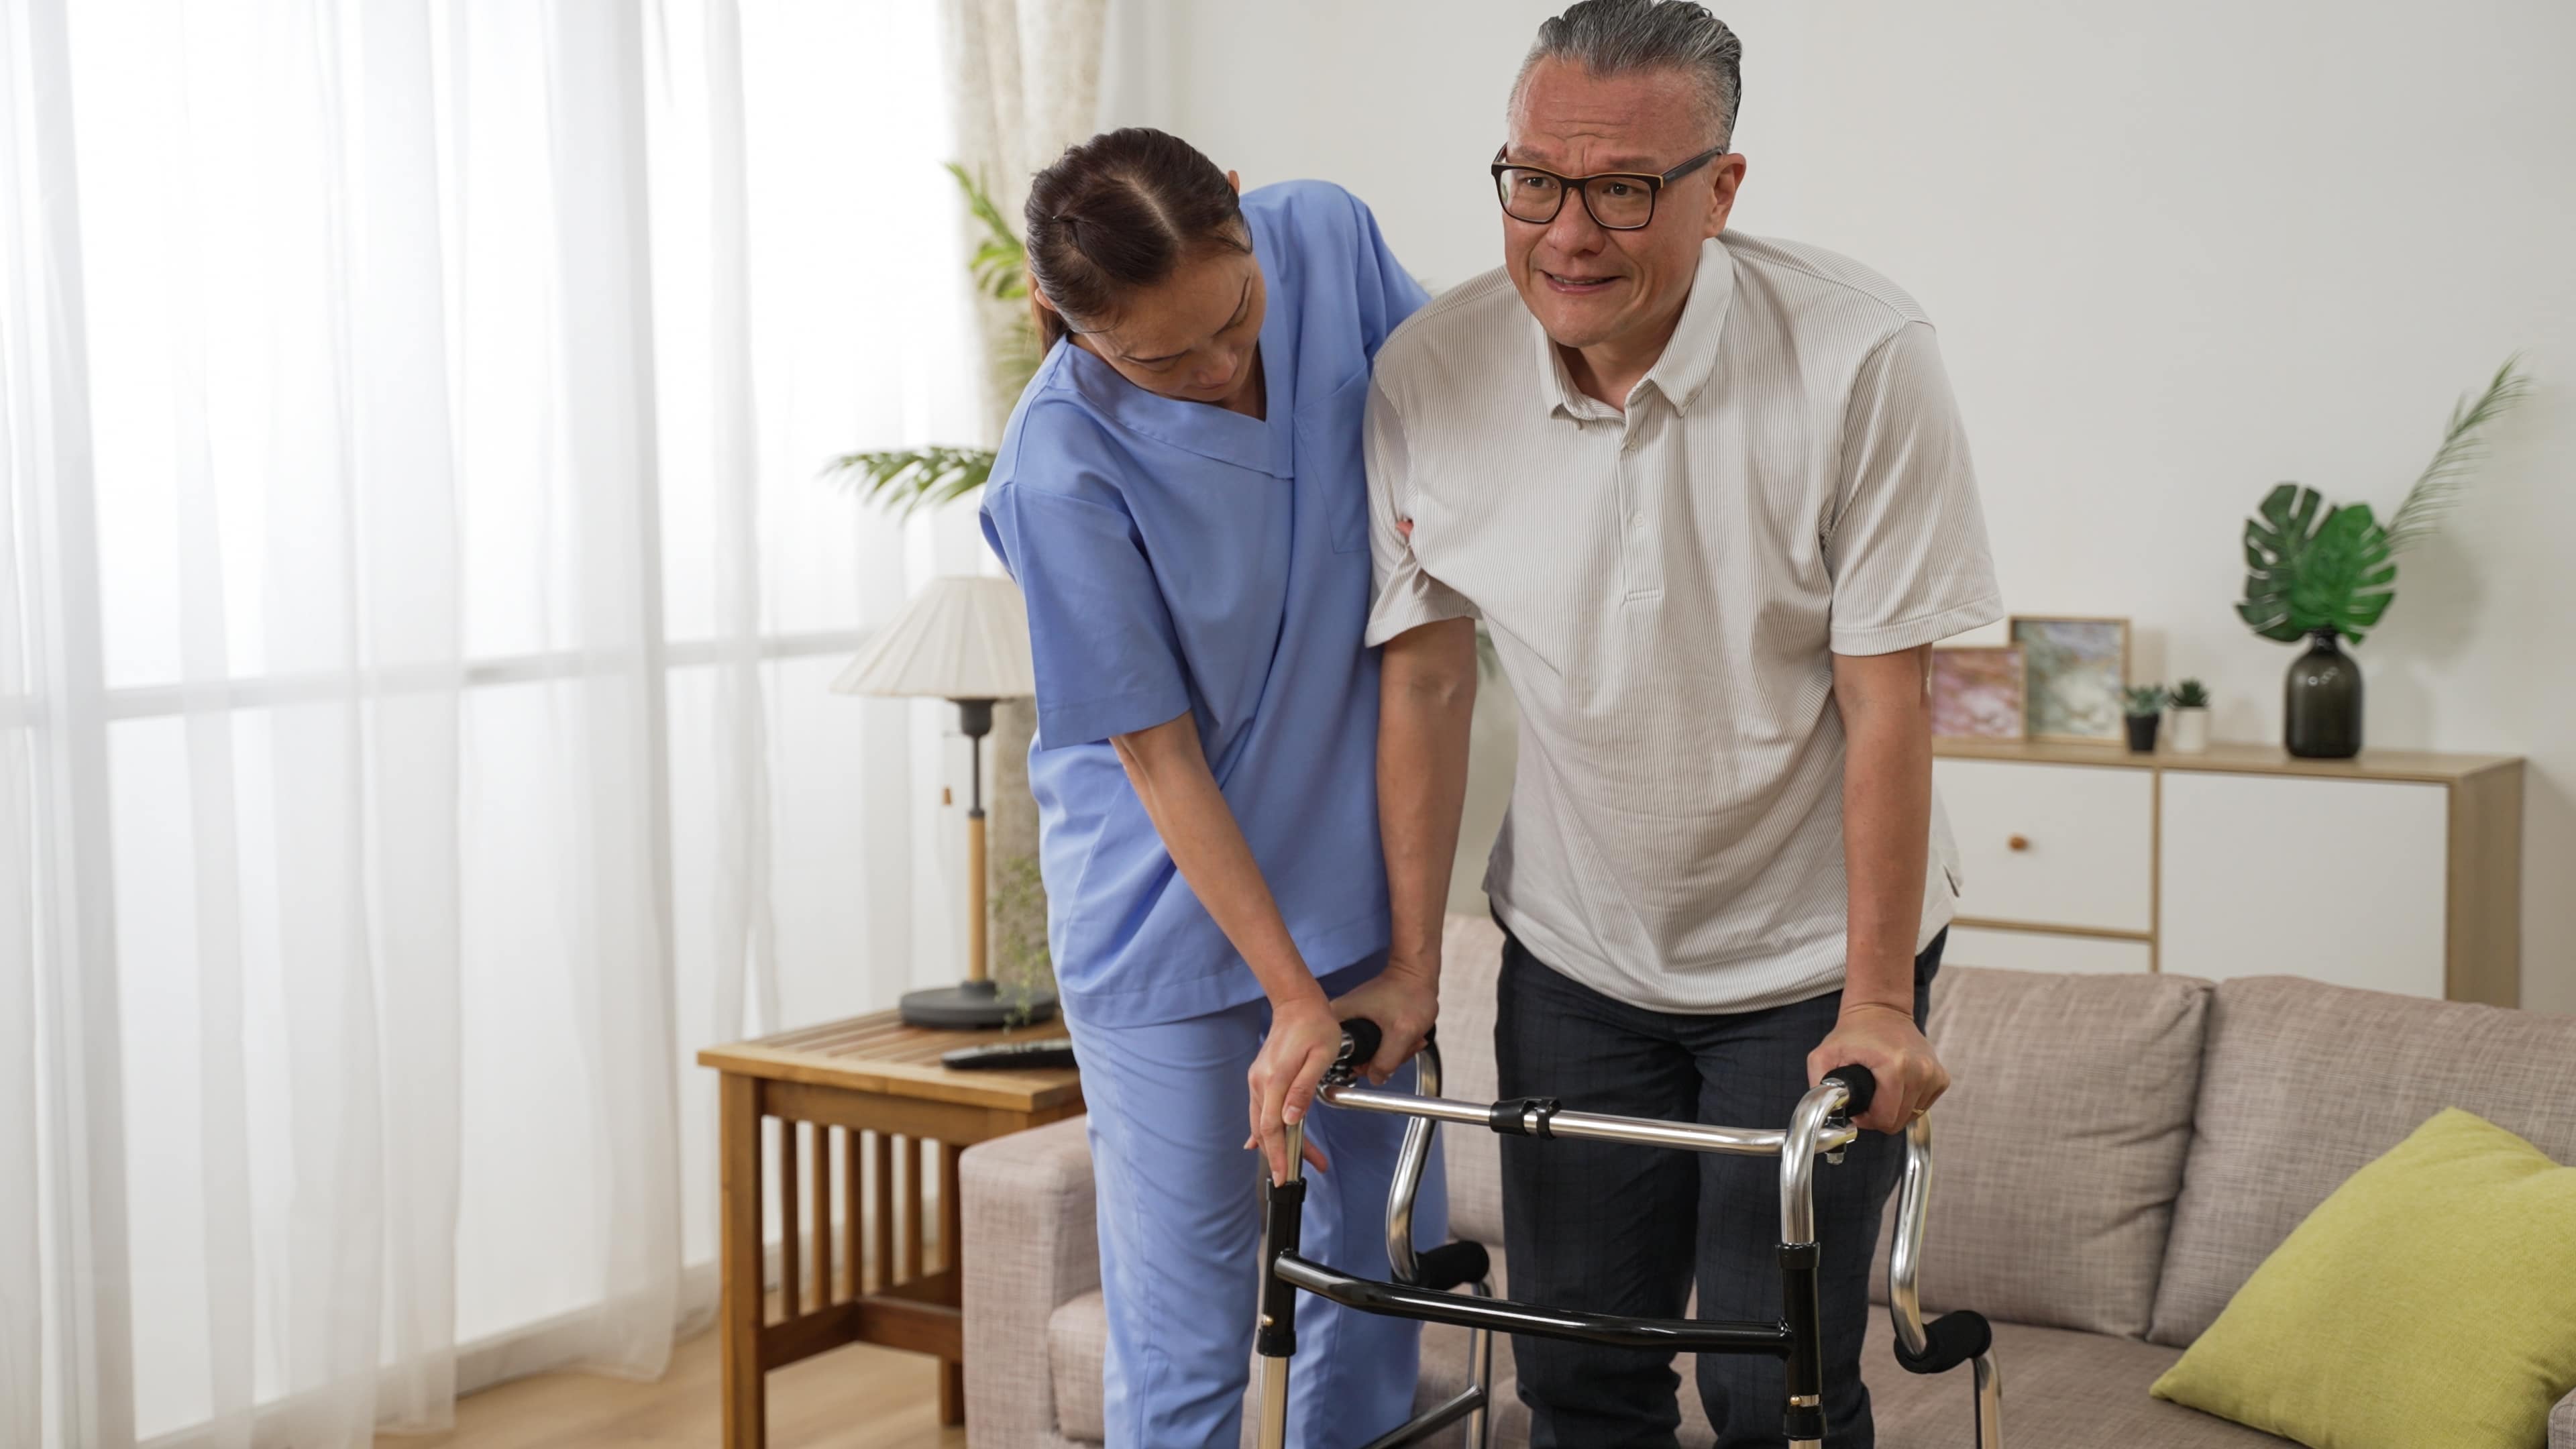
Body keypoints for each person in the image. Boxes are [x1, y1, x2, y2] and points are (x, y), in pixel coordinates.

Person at [1360, 3, 2002, 1444]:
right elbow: (1426, 675)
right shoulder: (1429, 376)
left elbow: (1886, 697)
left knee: (1764, 1386)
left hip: (1813, 958)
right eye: (1534, 178)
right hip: (1581, 952)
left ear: (1723, 190)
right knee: (1581, 1370)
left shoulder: (1859, 358)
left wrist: (1882, 1002)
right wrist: (1409, 969)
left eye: (1624, 189)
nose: (1568, 233)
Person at [977, 127, 1445, 1448]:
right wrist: (1288, 998)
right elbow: (1157, 761)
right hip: (1168, 929)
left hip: (1350, 893)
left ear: (1244, 215)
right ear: (1057, 321)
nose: (1221, 367)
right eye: (1161, 361)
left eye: (1232, 319)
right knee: (1186, 1344)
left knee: (1377, 1281)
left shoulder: (1328, 240)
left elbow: (1458, 424)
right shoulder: (1059, 468)